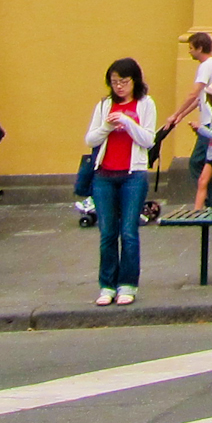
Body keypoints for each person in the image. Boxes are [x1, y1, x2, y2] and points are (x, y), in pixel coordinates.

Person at [85, 57, 157, 305]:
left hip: (133, 175)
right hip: (104, 175)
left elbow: (148, 140)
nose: (119, 87)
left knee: (128, 231)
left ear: (134, 81)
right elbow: (91, 139)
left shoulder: (145, 104)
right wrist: (107, 126)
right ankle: (107, 285)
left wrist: (127, 122)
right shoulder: (105, 106)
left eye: (123, 82)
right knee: (107, 232)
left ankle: (128, 284)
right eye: (114, 82)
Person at [158, 32, 212, 209]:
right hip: (211, 121)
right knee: (209, 163)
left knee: (197, 162)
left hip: (208, 123)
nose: (189, 52)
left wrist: (175, 114)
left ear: (199, 48)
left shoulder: (205, 66)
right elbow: (200, 98)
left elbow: (194, 93)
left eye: (191, 48)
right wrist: (181, 116)